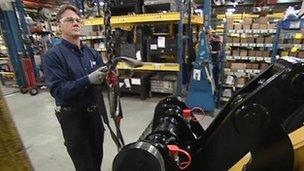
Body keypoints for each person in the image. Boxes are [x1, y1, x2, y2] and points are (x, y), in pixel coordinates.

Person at [43, 5, 107, 171]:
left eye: (78, 20)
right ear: (59, 25)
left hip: (95, 117)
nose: (76, 23)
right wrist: (88, 80)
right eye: (69, 20)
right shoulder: (53, 56)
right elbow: (58, 91)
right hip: (74, 120)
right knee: (85, 166)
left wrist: (109, 80)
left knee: (97, 161)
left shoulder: (92, 54)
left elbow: (101, 85)